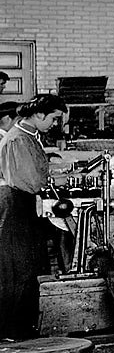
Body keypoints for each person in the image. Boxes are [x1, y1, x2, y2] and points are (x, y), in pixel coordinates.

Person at [1, 94, 68, 339]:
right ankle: (13, 331)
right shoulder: (19, 139)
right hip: (14, 205)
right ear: (39, 114)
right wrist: (53, 179)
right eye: (54, 118)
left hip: (22, 202)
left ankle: (23, 326)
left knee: (29, 266)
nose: (55, 124)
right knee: (18, 268)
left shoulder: (29, 134)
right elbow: (32, 181)